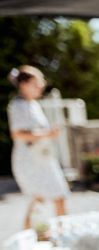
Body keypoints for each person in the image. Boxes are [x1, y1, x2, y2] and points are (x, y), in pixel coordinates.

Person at [7, 65, 69, 229]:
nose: (42, 85)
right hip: (31, 160)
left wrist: (48, 134)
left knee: (47, 198)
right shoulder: (18, 105)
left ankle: (59, 233)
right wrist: (47, 134)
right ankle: (62, 234)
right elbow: (18, 134)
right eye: (38, 82)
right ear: (24, 84)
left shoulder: (33, 105)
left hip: (42, 158)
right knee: (48, 197)